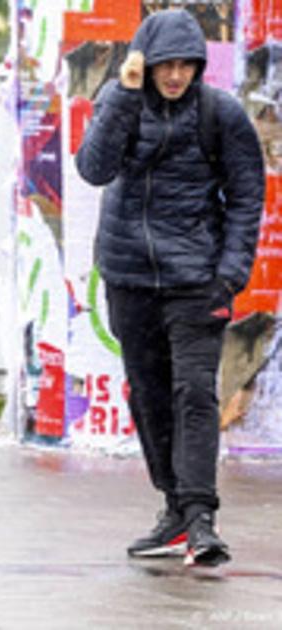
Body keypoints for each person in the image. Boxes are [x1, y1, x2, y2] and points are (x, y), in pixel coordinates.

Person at [76, 9, 265, 567]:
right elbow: (93, 169)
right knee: (149, 394)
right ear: (145, 63)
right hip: (129, 276)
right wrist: (124, 94)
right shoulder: (122, 101)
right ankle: (174, 510)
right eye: (166, 65)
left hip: (195, 280)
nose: (176, 75)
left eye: (187, 65)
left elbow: (246, 198)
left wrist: (229, 274)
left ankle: (201, 516)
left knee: (194, 392)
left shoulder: (221, 114)